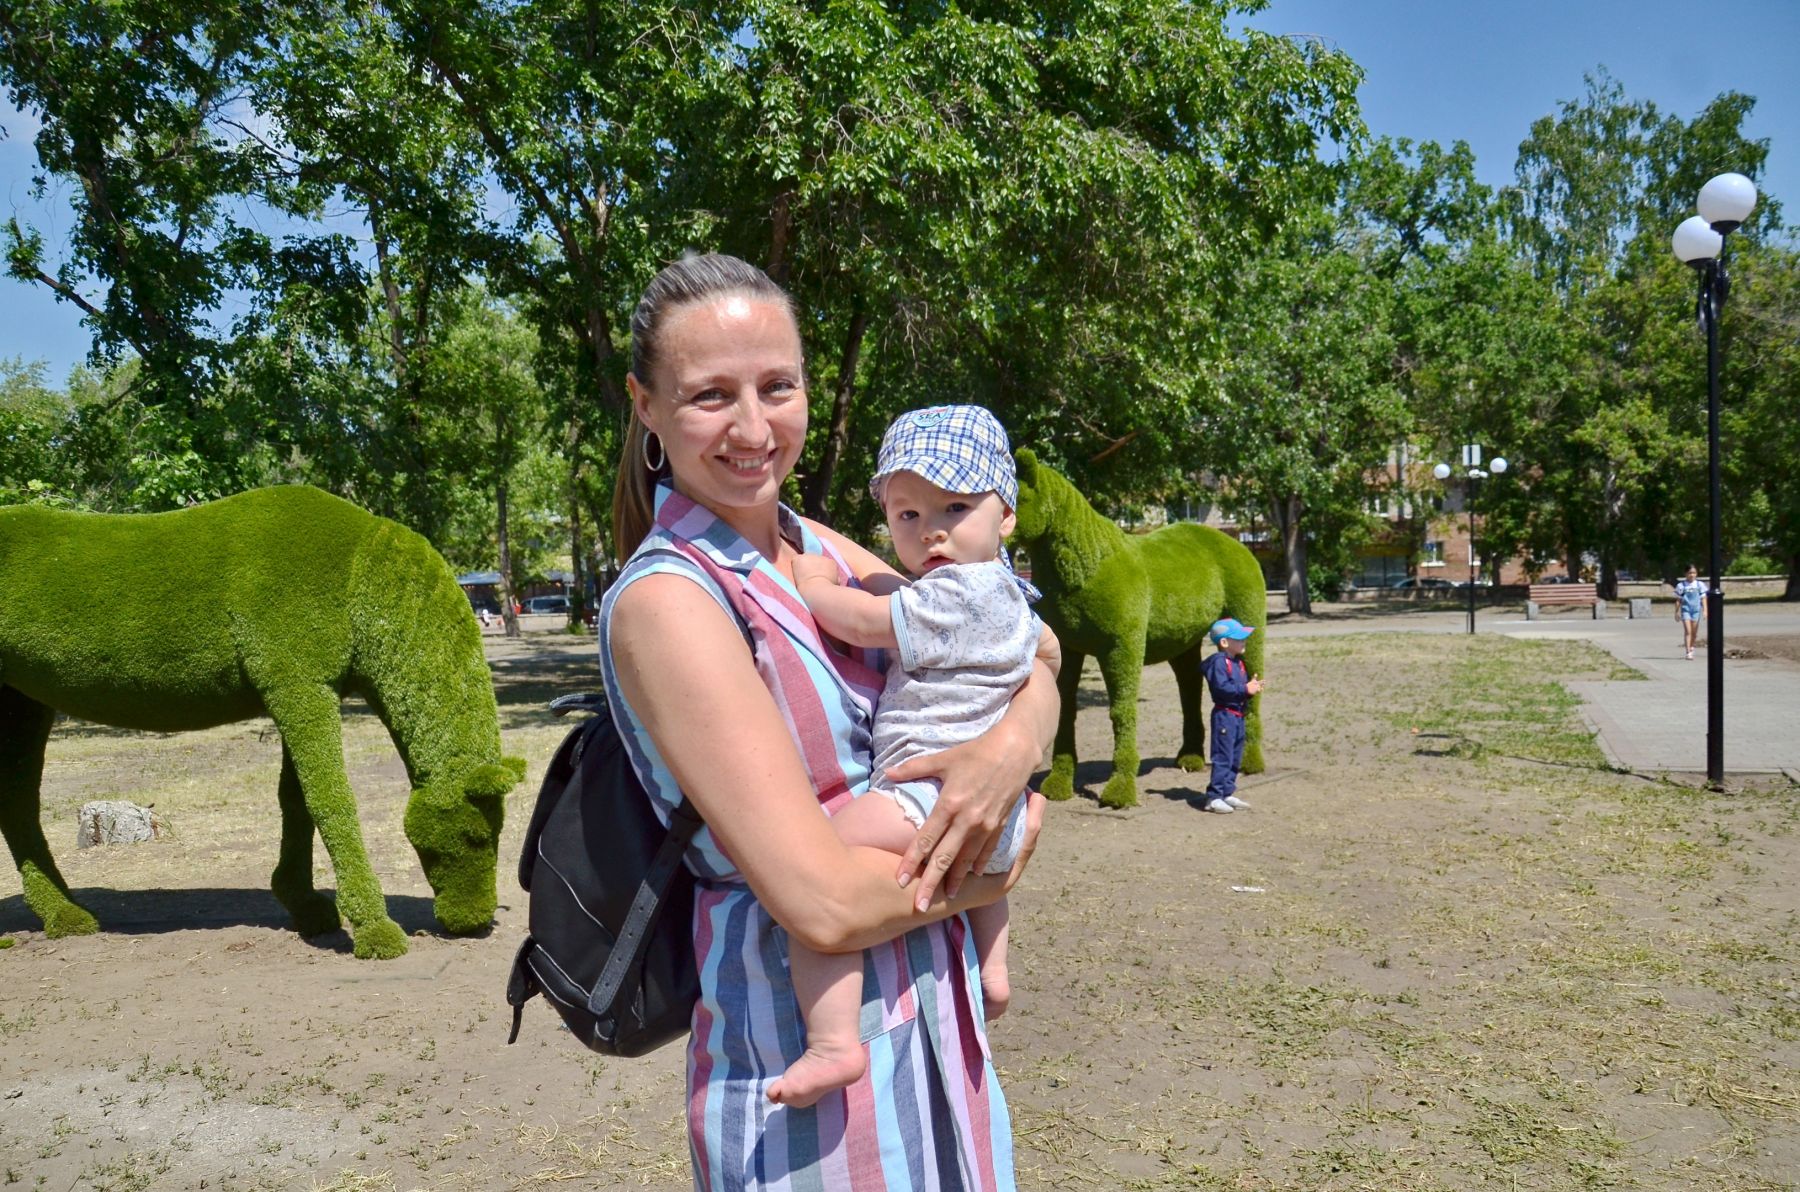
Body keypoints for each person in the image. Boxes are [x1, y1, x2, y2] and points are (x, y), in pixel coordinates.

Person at [598, 254, 1059, 1190]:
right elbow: (822, 904)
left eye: (777, 386)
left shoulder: (814, 548)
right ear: (647, 407)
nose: (753, 428)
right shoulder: (670, 600)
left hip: (936, 1029)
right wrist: (997, 864)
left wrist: (1013, 749)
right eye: (710, 396)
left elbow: (1031, 646)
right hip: (798, 1068)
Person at [775, 404, 1055, 1109]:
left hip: (926, 797)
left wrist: (813, 587)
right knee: (977, 883)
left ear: (1007, 513)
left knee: (817, 866)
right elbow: (1042, 654)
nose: (930, 528)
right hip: (1003, 813)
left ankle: (833, 1041)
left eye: (955, 506)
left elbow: (866, 619)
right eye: (906, 515)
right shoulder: (1010, 596)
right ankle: (993, 969)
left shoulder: (959, 590)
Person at [1200, 617, 1262, 815]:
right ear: (1224, 642)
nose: (1244, 640)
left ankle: (1227, 791)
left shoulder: (1237, 662)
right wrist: (1245, 688)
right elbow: (1222, 689)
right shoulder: (1219, 662)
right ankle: (1214, 797)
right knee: (1223, 756)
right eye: (1239, 638)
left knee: (1235, 755)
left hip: (1237, 715)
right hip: (1224, 715)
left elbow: (1238, 689)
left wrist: (1251, 688)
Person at [1675, 565, 1705, 660]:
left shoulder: (1699, 585)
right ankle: (1688, 651)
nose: (1692, 575)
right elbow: (1678, 600)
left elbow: (1703, 598)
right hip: (1686, 609)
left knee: (1694, 632)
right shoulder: (1681, 585)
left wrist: (1705, 610)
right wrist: (1676, 612)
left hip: (1696, 610)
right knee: (1688, 631)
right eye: (1690, 573)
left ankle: (1692, 647)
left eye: (1694, 573)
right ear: (1686, 574)